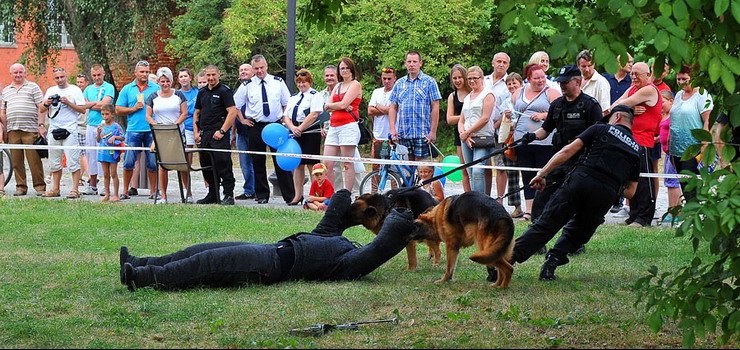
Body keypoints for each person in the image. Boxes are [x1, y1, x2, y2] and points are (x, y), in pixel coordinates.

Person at [119, 189, 419, 291]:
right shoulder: (331, 235)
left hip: (270, 268)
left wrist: (399, 215)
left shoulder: (348, 264)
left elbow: (382, 247)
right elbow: (339, 202)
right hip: (269, 250)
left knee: (207, 263)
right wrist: (362, 201)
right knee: (201, 249)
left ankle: (144, 278)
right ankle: (140, 263)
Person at [506, 105, 640, 281]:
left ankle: (506, 260)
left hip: (581, 181)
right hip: (606, 193)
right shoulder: (637, 150)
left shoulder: (600, 128)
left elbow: (567, 151)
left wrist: (542, 174)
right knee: (578, 231)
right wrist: (613, 183)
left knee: (547, 223)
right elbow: (630, 192)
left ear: (616, 118)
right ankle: (551, 264)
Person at [523, 64, 602, 255]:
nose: (562, 86)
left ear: (578, 81)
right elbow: (545, 130)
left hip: (582, 163)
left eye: (566, 82)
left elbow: (599, 137)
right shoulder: (556, 105)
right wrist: (532, 136)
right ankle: (536, 241)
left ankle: (574, 242)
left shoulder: (591, 106)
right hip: (559, 161)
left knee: (575, 204)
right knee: (541, 198)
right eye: (560, 83)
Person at [234, 54, 294, 204]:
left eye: (262, 67)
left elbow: (288, 102)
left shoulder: (277, 82)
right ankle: (261, 195)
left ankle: (290, 196)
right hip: (256, 126)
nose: (260, 71)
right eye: (256, 68)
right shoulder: (247, 85)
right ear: (252, 69)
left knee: (281, 160)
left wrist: (284, 118)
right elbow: (235, 105)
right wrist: (242, 119)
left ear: (266, 66)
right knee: (257, 161)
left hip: (275, 126)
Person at [611, 62, 663, 227]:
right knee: (630, 179)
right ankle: (633, 215)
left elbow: (622, 105)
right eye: (632, 73)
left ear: (647, 75)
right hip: (628, 139)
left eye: (637, 74)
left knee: (643, 180)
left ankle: (644, 218)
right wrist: (631, 110)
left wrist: (625, 107)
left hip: (643, 142)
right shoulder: (632, 88)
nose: (633, 77)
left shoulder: (649, 89)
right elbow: (615, 105)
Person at [510, 63, 561, 220]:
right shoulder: (518, 92)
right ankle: (529, 210)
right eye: (537, 78)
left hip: (545, 142)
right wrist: (508, 117)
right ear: (528, 79)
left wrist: (543, 115)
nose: (540, 80)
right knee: (526, 175)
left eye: (543, 77)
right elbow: (513, 114)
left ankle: (544, 208)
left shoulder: (552, 93)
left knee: (543, 174)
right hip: (522, 141)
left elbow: (559, 113)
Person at [192, 64, 238, 205]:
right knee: (206, 165)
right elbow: (196, 113)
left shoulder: (225, 91)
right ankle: (213, 194)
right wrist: (196, 132)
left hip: (219, 135)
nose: (211, 78)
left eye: (213, 75)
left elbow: (232, 111)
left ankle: (228, 195)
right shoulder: (202, 92)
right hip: (204, 135)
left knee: (223, 164)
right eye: (208, 75)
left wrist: (222, 131)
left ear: (219, 75)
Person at [39, 67, 87, 198]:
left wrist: (68, 102)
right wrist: (47, 103)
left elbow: (83, 110)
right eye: (57, 78)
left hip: (70, 129)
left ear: (66, 76)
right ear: (54, 78)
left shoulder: (75, 90)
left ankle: (75, 189)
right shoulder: (50, 90)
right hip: (54, 128)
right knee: (54, 161)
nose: (60, 80)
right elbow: (41, 109)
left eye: (62, 77)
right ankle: (55, 188)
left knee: (73, 160)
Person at [115, 60, 161, 200]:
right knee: (129, 161)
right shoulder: (127, 89)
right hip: (133, 129)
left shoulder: (155, 88)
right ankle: (125, 191)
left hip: (151, 129)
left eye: (147, 72)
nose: (144, 74)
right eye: (142, 71)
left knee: (152, 162)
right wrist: (133, 108)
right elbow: (118, 109)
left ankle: (154, 191)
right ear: (135, 73)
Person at [668, 65, 713, 200]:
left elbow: (708, 120)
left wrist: (704, 145)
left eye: (684, 79)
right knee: (682, 181)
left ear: (693, 78)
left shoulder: (701, 94)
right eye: (678, 79)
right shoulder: (678, 95)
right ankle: (689, 210)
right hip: (676, 148)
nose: (680, 82)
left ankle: (692, 212)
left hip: (693, 147)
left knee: (690, 181)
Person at [1, 63, 46, 196]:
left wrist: (41, 125)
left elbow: (41, 107)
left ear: (25, 73)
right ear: (11, 74)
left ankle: (40, 187)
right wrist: (4, 130)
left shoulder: (33, 87)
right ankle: (21, 187)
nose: (18, 75)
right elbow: (3, 112)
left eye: (20, 72)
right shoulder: (6, 90)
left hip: (30, 129)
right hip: (12, 129)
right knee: (16, 161)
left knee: (34, 160)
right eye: (15, 73)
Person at [145, 67, 188, 204]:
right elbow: (148, 115)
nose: (165, 84)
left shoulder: (179, 95)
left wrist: (175, 124)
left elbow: (184, 113)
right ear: (158, 81)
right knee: (162, 165)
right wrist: (156, 125)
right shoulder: (153, 97)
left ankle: (188, 192)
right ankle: (163, 196)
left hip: (177, 133)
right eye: (162, 81)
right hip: (161, 134)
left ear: (171, 81)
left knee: (182, 164)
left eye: (167, 81)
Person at [389, 51, 442, 161]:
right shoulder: (399, 83)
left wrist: (433, 132)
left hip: (422, 134)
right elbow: (393, 107)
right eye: (409, 61)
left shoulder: (429, 82)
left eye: (414, 61)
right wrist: (392, 129)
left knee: (422, 170)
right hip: (403, 134)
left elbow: (435, 107)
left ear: (420, 63)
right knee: (406, 169)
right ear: (405, 63)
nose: (411, 64)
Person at [282, 68, 323, 205]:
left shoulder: (315, 95)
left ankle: (315, 195)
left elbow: (314, 114)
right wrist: (293, 128)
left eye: (304, 82)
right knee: (298, 165)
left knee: (312, 164)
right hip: (295, 130)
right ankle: (298, 195)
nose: (301, 85)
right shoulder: (294, 97)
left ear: (309, 82)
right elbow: (286, 115)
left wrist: (300, 128)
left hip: (309, 131)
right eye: (299, 82)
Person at [322, 57, 363, 191]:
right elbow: (327, 105)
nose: (344, 71)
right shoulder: (338, 86)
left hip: (348, 126)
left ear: (351, 69)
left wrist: (340, 105)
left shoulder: (355, 84)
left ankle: (347, 193)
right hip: (334, 126)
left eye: (347, 68)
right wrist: (339, 106)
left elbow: (344, 103)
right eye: (342, 68)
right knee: (327, 162)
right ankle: (331, 193)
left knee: (347, 162)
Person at [603, 53, 633, 215]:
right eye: (628, 62)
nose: (630, 64)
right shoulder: (605, 79)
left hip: (625, 127)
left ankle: (619, 200)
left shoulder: (631, 82)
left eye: (632, 62)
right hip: (607, 125)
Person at [458, 66, 495, 194]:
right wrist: (463, 134)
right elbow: (461, 120)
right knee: (470, 171)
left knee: (478, 170)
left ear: (481, 78)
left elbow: (485, 118)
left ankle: (480, 201)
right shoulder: (468, 97)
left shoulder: (488, 94)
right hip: (466, 139)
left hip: (482, 137)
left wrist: (468, 132)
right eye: (469, 79)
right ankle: (474, 199)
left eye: (475, 78)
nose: (472, 81)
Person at [82, 64, 116, 197]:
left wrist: (92, 104)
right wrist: (94, 104)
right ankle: (92, 184)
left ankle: (105, 185)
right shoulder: (88, 89)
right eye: (94, 75)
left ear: (103, 74)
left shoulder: (109, 87)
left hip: (105, 125)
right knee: (91, 154)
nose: (97, 78)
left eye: (99, 75)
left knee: (104, 154)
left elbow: (105, 105)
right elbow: (84, 104)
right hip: (90, 125)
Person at [499, 73, 524, 218]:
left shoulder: (527, 98)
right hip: (510, 140)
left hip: (526, 139)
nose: (512, 86)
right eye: (509, 84)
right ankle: (517, 206)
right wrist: (507, 118)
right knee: (512, 174)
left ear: (521, 83)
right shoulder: (505, 102)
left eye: (515, 83)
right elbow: (504, 124)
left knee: (528, 174)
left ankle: (532, 206)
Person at [657, 89, 683, 222]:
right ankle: (671, 209)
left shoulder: (675, 114)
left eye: (663, 101)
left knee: (672, 182)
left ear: (671, 101)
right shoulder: (664, 114)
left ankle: (675, 213)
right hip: (667, 153)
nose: (660, 104)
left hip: (673, 152)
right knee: (669, 181)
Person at [445, 64, 472, 192]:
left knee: (478, 169)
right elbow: (449, 119)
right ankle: (468, 196)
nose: (457, 80)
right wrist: (465, 116)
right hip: (460, 134)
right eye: (454, 78)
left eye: (460, 77)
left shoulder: (473, 92)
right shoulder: (453, 96)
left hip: (475, 132)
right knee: (464, 168)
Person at [232, 63, 256, 201]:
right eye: (240, 70)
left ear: (252, 71)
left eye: (246, 69)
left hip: (254, 129)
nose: (243, 72)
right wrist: (234, 132)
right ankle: (249, 190)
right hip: (241, 131)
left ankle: (259, 189)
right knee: (244, 163)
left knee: (256, 161)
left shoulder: (256, 86)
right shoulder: (239, 90)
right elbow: (234, 109)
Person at [176, 67, 199, 203]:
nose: (184, 78)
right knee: (186, 161)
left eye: (186, 76)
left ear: (191, 77)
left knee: (205, 159)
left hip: (199, 127)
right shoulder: (177, 94)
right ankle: (187, 191)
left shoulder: (198, 92)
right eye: (181, 76)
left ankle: (209, 188)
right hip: (185, 129)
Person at [368, 67, 397, 175]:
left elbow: (394, 110)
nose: (386, 81)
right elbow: (370, 110)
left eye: (389, 79)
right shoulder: (376, 92)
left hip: (393, 136)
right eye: (384, 78)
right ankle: (374, 191)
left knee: (394, 169)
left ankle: (396, 191)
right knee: (376, 168)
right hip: (378, 136)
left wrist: (378, 106)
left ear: (394, 78)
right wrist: (388, 109)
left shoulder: (397, 92)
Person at [96, 104, 124, 202]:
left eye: (107, 114)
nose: (105, 117)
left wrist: (115, 137)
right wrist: (98, 132)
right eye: (103, 114)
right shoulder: (101, 126)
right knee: (105, 173)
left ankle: (116, 194)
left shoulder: (116, 126)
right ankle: (107, 194)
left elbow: (122, 137)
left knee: (113, 173)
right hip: (103, 151)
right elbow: (98, 140)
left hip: (112, 152)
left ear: (112, 114)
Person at [75, 73, 90, 187]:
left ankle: (80, 177)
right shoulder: (75, 94)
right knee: (83, 153)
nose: (79, 84)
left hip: (87, 127)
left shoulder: (87, 94)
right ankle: (89, 176)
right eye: (78, 82)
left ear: (86, 83)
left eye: (81, 82)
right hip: (79, 127)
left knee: (84, 153)